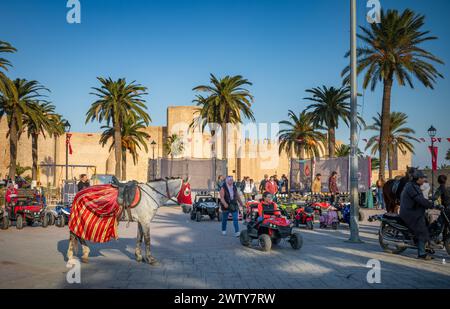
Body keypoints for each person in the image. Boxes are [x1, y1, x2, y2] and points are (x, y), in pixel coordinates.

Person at [400, 170, 435, 260]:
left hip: (414, 210)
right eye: (422, 178)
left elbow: (421, 198)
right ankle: (421, 254)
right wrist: (432, 205)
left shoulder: (414, 185)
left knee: (427, 223)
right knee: (422, 231)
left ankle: (425, 245)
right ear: (418, 179)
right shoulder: (411, 187)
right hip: (410, 213)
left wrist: (430, 200)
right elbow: (419, 199)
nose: (424, 180)